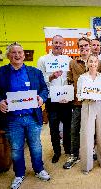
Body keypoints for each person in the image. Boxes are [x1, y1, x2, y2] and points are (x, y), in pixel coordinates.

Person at [0, 42, 50, 189]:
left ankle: (39, 169)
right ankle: (19, 174)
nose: (17, 55)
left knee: (36, 146)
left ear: (24, 55)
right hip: (12, 119)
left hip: (32, 117)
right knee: (16, 148)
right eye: (13, 52)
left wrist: (42, 98)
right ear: (8, 55)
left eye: (20, 53)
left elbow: (44, 89)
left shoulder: (35, 72)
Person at [37, 35, 72, 163]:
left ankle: (68, 149)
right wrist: (50, 77)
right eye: (55, 42)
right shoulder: (43, 60)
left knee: (68, 127)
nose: (58, 45)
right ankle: (57, 152)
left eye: (60, 43)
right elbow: (39, 80)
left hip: (66, 99)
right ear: (51, 44)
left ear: (64, 45)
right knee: (53, 127)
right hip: (52, 100)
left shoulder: (69, 60)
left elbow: (71, 79)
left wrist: (69, 95)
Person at [77, 54, 101, 175]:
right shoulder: (82, 78)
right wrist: (86, 95)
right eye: (91, 61)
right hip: (88, 106)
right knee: (87, 136)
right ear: (87, 63)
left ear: (98, 63)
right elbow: (79, 95)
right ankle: (86, 166)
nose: (93, 64)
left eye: (95, 62)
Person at [63, 37, 91, 169]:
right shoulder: (73, 63)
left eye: (86, 45)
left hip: (92, 103)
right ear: (78, 48)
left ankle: (91, 150)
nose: (84, 48)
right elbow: (69, 81)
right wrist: (65, 95)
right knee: (75, 130)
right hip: (77, 103)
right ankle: (74, 154)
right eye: (81, 46)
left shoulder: (97, 62)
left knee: (92, 129)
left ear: (90, 46)